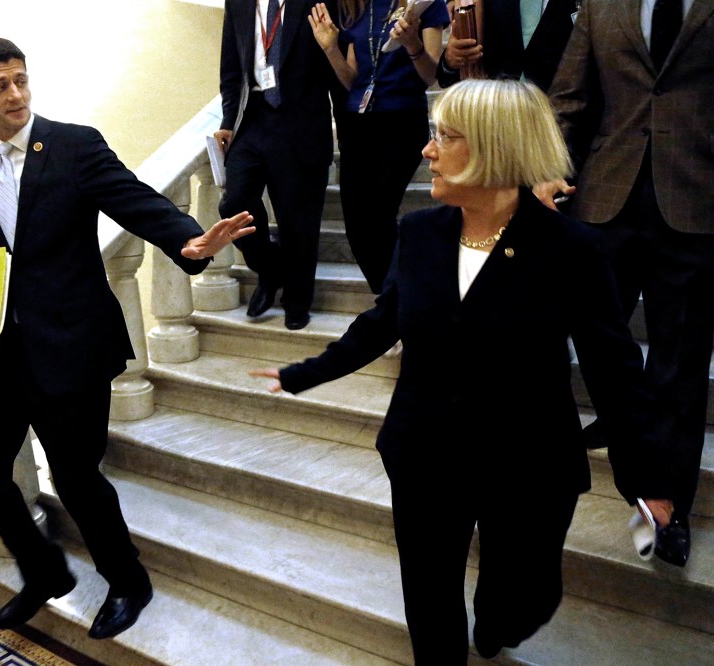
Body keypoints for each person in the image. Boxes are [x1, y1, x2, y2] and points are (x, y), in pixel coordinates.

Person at [252, 79, 673, 664]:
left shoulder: (571, 250)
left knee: (521, 599)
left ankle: (502, 619)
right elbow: (383, 320)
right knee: (428, 597)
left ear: (496, 148)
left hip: (526, 464)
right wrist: (305, 372)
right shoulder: (420, 233)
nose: (427, 151)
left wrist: (648, 479)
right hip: (425, 452)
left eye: (444, 137)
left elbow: (616, 371)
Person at [0, 38, 254, 638]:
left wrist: (189, 242)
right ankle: (44, 571)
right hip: (8, 347)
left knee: (76, 476)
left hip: (73, 345)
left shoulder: (73, 145)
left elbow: (134, 198)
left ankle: (129, 581)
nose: (14, 94)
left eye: (20, 80)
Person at [538, 0, 714, 568]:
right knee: (599, 355)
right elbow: (569, 95)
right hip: (604, 205)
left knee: (680, 369)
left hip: (696, 206)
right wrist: (550, 166)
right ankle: (632, 451)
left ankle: (669, 509)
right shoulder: (600, 5)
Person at [308, 0, 449, 293]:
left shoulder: (423, 5)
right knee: (357, 228)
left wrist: (413, 45)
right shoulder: (357, 8)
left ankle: (401, 306)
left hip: (402, 122)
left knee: (379, 218)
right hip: (360, 125)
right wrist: (330, 48)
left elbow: (430, 75)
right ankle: (394, 302)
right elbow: (351, 80)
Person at [216, 0, 339, 330]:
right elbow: (231, 69)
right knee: (234, 203)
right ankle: (270, 268)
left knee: (297, 219)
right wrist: (229, 120)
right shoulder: (239, 4)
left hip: (301, 121)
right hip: (253, 118)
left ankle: (298, 301)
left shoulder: (317, 2)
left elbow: (335, 67)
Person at [438, 0, 580, 91]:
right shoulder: (477, 4)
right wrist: (451, 60)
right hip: (497, 118)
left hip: (561, 120)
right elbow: (451, 76)